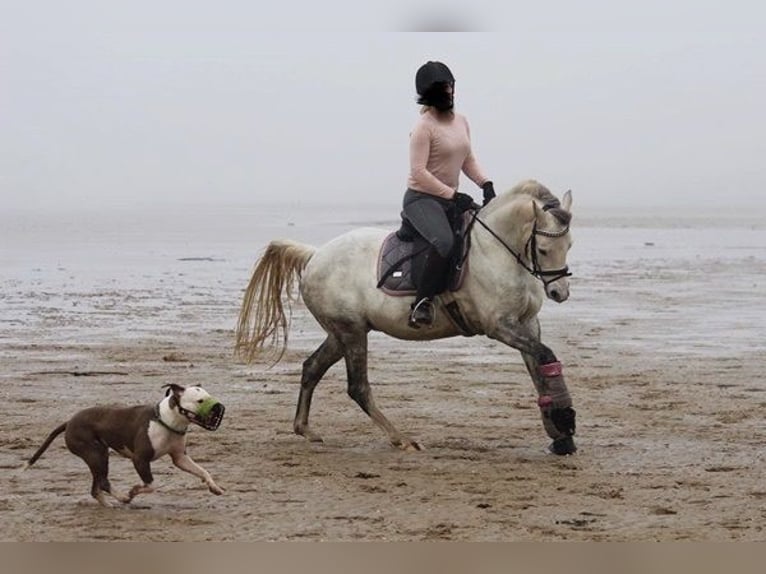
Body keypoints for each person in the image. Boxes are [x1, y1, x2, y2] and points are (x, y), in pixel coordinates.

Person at [402, 60, 496, 328]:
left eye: (451, 86)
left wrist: (485, 183)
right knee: (444, 242)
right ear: (429, 94)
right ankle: (422, 303)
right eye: (443, 88)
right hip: (421, 199)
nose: (450, 92)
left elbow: (467, 159)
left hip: (449, 200)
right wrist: (453, 195)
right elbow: (419, 172)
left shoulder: (462, 122)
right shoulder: (423, 127)